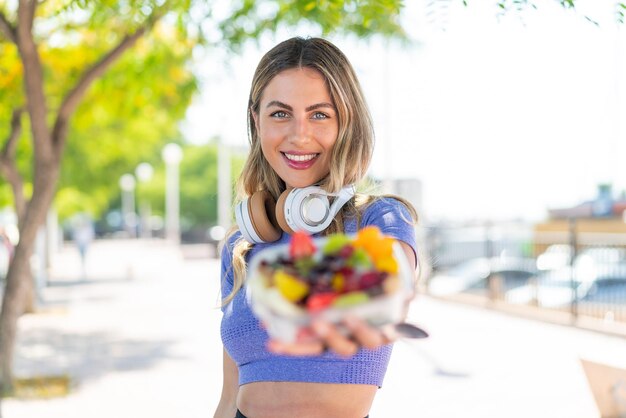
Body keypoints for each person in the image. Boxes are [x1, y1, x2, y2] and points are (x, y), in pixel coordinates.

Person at [216, 37, 419, 418]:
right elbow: (228, 399)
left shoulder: (380, 219)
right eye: (280, 113)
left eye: (319, 114)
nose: (299, 135)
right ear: (255, 120)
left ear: (347, 124)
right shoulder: (243, 246)